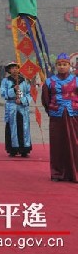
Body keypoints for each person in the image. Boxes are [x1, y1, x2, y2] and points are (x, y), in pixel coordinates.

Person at [41, 53, 78, 182]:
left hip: (74, 115)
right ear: (56, 66)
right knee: (57, 144)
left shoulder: (76, 80)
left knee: (74, 143)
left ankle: (74, 172)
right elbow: (45, 99)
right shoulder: (49, 81)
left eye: (65, 64)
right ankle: (57, 173)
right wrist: (52, 110)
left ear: (69, 65)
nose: (62, 67)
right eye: (60, 65)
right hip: (57, 117)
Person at [0, 61, 32, 157]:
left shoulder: (24, 81)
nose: (15, 69)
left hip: (22, 108)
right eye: (12, 68)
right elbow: (3, 93)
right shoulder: (5, 81)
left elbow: (29, 94)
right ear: (9, 70)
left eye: (16, 67)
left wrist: (22, 100)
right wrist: (13, 90)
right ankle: (13, 149)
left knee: (23, 127)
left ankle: (24, 149)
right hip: (11, 107)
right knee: (12, 127)